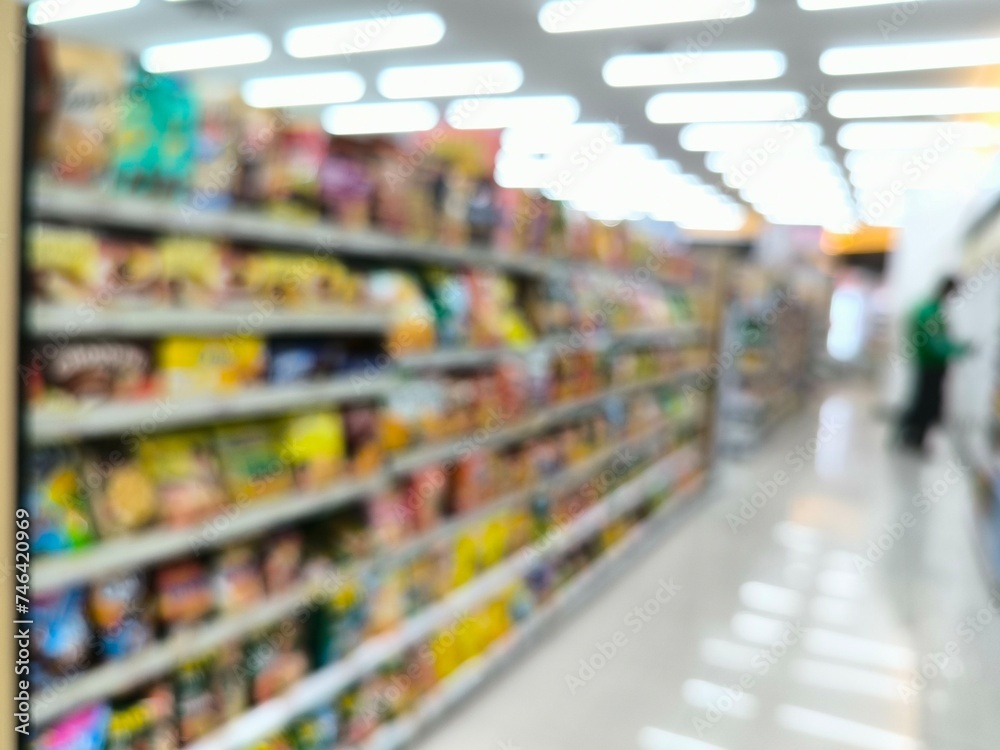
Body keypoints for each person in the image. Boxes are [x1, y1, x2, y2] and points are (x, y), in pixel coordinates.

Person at [897, 276, 972, 452]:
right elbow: (935, 343)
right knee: (926, 402)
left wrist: (956, 349)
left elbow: (938, 340)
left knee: (924, 401)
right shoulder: (930, 312)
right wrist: (958, 350)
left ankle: (912, 438)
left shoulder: (930, 309)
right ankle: (912, 439)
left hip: (930, 363)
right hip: (930, 364)